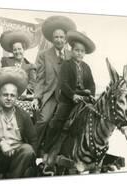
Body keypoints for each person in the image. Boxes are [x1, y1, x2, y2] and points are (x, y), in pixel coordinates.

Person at [0, 67, 38, 179]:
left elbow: (33, 139)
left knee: (28, 150)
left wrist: (31, 162)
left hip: (16, 158)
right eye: (5, 95)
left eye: (12, 95)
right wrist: (0, 142)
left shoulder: (23, 115)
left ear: (16, 97)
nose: (9, 98)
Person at [43, 30, 96, 160]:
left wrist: (92, 95)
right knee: (56, 121)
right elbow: (63, 83)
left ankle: (90, 148)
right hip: (68, 99)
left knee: (95, 118)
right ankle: (47, 149)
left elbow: (92, 84)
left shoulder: (86, 67)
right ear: (72, 51)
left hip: (84, 99)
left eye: (82, 51)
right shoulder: (66, 65)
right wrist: (73, 95)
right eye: (77, 50)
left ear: (85, 53)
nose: (79, 53)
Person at [31, 16, 77, 153]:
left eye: (62, 37)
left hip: (68, 96)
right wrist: (36, 97)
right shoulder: (43, 55)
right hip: (51, 95)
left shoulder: (72, 55)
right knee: (44, 121)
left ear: (65, 39)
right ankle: (33, 150)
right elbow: (39, 79)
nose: (59, 40)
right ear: (52, 39)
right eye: (56, 37)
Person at [0, 30, 36, 97]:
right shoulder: (6, 61)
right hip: (8, 93)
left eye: (19, 49)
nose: (17, 52)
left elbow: (32, 83)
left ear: (23, 49)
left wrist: (24, 90)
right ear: (12, 51)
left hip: (23, 95)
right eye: (15, 50)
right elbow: (3, 78)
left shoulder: (30, 66)